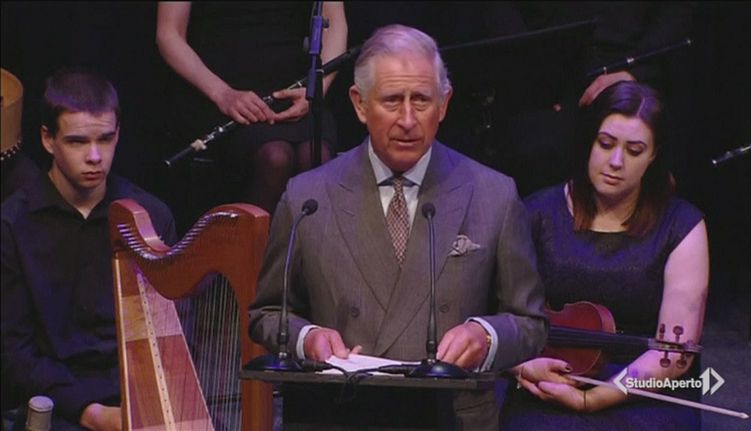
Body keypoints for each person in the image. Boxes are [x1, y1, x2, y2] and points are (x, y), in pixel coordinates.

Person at [249, 24, 547, 429]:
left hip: (450, 418)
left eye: (421, 100)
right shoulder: (307, 196)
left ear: (444, 104)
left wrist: (486, 336)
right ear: (359, 104)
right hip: (338, 416)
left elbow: (530, 323)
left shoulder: (493, 194)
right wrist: (307, 338)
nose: (408, 120)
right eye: (392, 101)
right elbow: (267, 313)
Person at [502, 81, 708, 430]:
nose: (615, 162)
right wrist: (523, 367)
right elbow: (498, 317)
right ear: (589, 142)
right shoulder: (537, 212)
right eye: (606, 144)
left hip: (644, 386)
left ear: (653, 155)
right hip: (552, 373)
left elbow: (673, 355)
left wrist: (593, 399)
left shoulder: (682, 225)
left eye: (635, 150)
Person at [1, 69, 176, 431]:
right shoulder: (13, 224)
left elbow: (168, 336)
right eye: (77, 142)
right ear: (48, 139)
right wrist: (90, 412)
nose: (95, 156)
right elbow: (13, 351)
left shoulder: (151, 215)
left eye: (105, 139)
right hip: (53, 400)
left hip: (133, 394)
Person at [156, 1, 347, 217]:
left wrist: (316, 89)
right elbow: (169, 34)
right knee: (275, 158)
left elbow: (334, 22)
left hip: (295, 89)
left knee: (315, 157)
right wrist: (223, 94)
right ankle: (247, 239)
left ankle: (299, 240)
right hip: (217, 90)